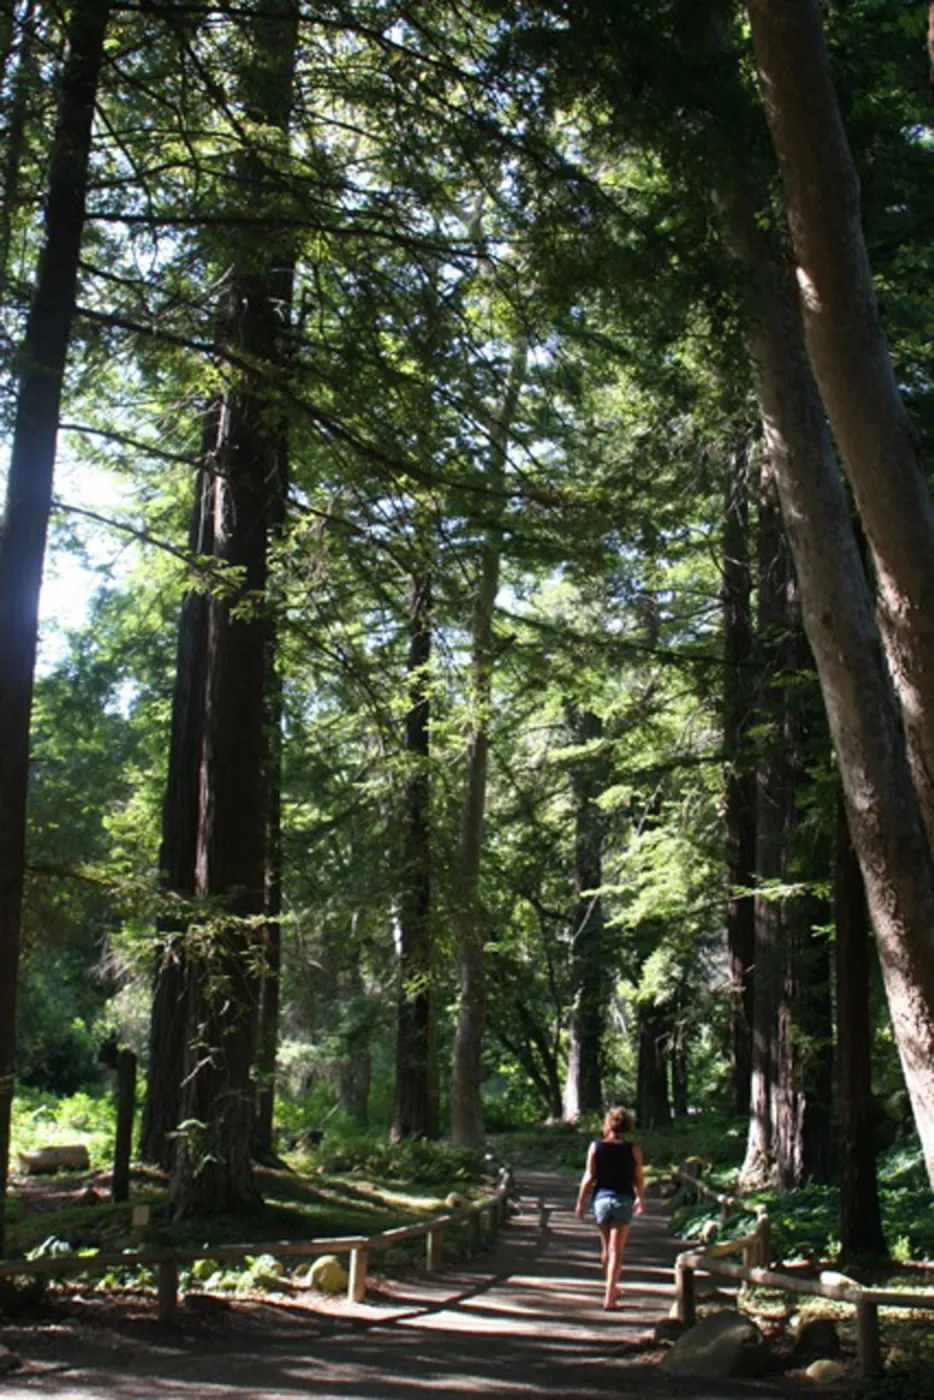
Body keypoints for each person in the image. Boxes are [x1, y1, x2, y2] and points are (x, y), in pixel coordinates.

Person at [574, 1106, 645, 1310]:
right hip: (623, 1200)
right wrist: (641, 1198)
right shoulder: (634, 1149)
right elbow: (638, 1177)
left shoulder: (596, 1146)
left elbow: (589, 1176)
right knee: (617, 1251)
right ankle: (609, 1296)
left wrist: (580, 1202)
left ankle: (611, 1287)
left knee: (606, 1249)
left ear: (608, 1124)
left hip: (601, 1201)